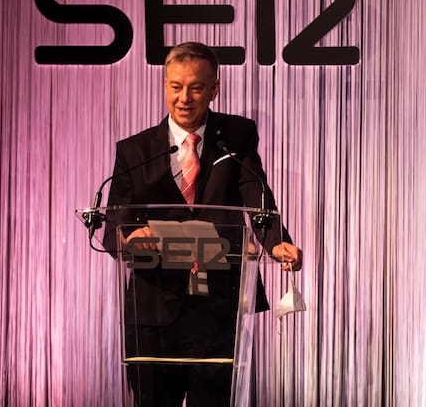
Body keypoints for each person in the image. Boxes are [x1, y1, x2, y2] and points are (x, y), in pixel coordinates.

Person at [102, 41, 302, 406]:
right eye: (176, 86)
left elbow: (256, 194)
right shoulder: (134, 151)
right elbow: (115, 224)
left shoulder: (236, 138)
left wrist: (275, 242)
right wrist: (130, 239)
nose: (184, 98)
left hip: (217, 308)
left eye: (196, 87)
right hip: (154, 311)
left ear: (214, 89)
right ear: (165, 85)